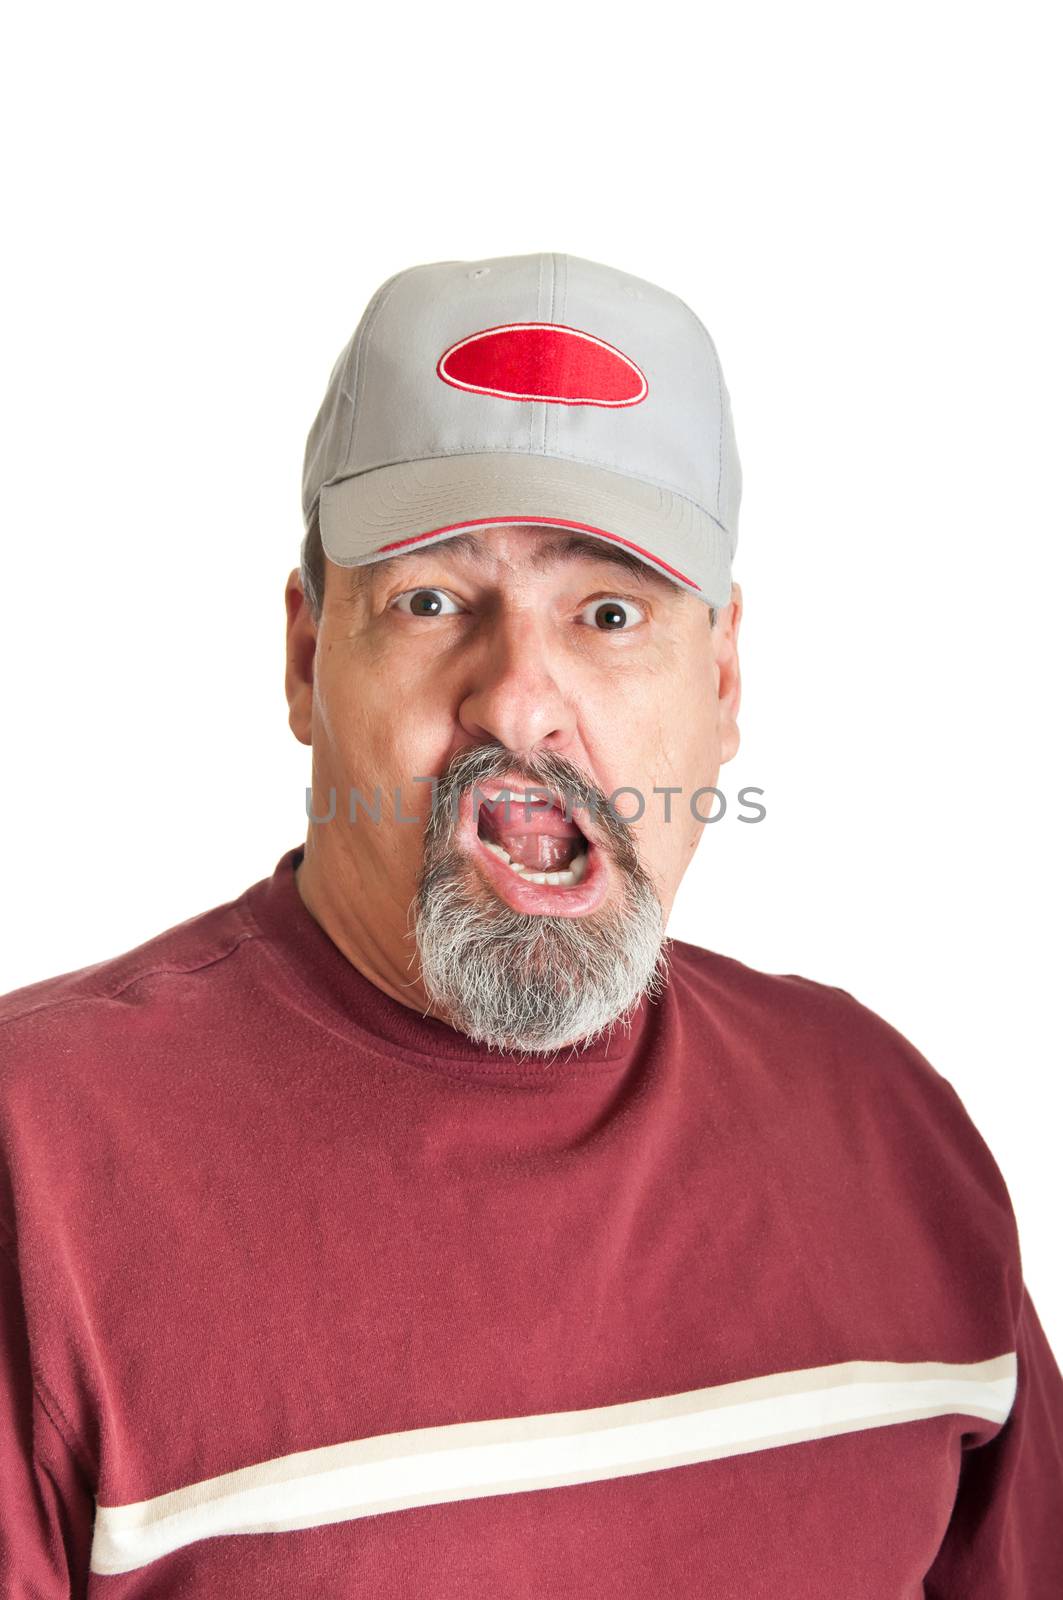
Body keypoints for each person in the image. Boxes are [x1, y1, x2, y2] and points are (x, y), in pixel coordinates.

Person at [1, 252, 1060, 1597]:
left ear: (724, 680)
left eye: (610, 613)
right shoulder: (34, 1167)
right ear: (310, 655)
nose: (518, 701)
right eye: (434, 602)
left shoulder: (886, 1131)